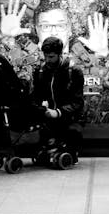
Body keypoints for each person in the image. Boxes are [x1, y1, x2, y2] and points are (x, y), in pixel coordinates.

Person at [32, 36, 85, 165]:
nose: (47, 60)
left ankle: (68, 151)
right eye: (46, 56)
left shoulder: (73, 71)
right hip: (47, 119)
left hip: (69, 118)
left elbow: (77, 103)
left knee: (71, 134)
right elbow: (36, 96)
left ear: (59, 54)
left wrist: (58, 112)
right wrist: (40, 106)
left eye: (51, 57)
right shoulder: (40, 71)